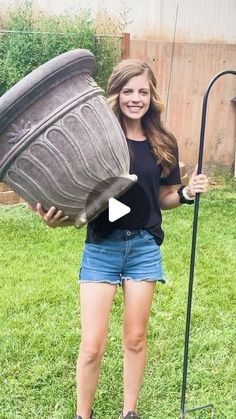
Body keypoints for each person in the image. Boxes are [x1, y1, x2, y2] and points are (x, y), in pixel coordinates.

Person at [30, 59, 209, 419]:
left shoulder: (163, 142)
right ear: (116, 93)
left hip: (143, 248)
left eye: (143, 91)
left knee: (135, 339)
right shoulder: (97, 139)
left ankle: (129, 412)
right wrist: (56, 220)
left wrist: (187, 193)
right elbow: (80, 199)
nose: (135, 98)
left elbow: (163, 198)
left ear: (152, 96)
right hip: (102, 248)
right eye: (128, 90)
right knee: (92, 346)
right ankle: (84, 415)